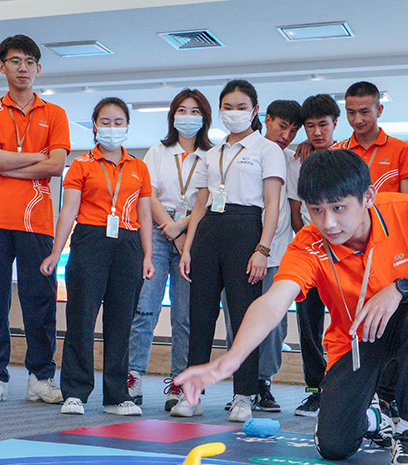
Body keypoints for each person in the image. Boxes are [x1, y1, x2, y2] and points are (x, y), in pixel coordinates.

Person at [177, 149, 408, 465]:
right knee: (334, 446)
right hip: (355, 343)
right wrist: (232, 358)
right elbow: (274, 301)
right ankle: (376, 416)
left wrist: (402, 288)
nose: (328, 223)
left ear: (368, 196)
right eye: (316, 210)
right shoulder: (309, 244)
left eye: (339, 208)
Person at [176, 79, 286, 423]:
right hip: (210, 231)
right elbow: (200, 205)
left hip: (246, 229)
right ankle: (192, 395)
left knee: (243, 317)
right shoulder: (212, 153)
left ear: (255, 111)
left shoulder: (267, 149)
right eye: (228, 107)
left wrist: (263, 249)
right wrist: (188, 248)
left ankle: (244, 395)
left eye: (241, 107)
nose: (234, 113)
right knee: (200, 317)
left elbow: (272, 203)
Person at [41, 97, 154, 416]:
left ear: (128, 126)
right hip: (89, 240)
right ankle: (75, 392)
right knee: (81, 319)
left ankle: (117, 396)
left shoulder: (139, 167)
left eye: (119, 122)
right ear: (94, 126)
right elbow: (68, 211)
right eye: (106, 122)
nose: (112, 128)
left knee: (121, 322)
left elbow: (145, 215)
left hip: (128, 244)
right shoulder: (81, 164)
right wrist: (55, 252)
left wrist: (148, 255)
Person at [0, 35, 70, 405]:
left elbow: (57, 166)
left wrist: (7, 163)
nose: (23, 68)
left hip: (36, 221)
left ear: (39, 68)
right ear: (2, 67)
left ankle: (41, 377)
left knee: (40, 301)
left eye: (30, 61)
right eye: (15, 61)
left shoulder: (55, 113)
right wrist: (35, 158)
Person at [128, 88, 212, 411]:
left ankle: (179, 382)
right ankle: (133, 376)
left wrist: (183, 228)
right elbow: (147, 195)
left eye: (195, 111)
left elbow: (209, 201)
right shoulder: (157, 152)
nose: (188, 117)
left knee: (184, 316)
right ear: (172, 115)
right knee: (145, 308)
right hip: (159, 234)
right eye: (182, 110)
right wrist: (171, 229)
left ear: (204, 118)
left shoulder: (212, 155)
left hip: (195, 236)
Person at [290, 94, 342, 418]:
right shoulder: (301, 160)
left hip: (343, 255)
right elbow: (297, 211)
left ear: (335, 123)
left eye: (323, 124)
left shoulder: (347, 157)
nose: (317, 132)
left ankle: (344, 388)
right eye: (310, 126)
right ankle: (315, 390)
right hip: (312, 253)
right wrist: (313, 240)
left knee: (343, 322)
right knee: (308, 323)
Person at [251, 98, 301, 413]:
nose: (286, 135)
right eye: (282, 126)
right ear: (267, 120)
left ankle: (263, 382)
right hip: (242, 252)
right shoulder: (247, 152)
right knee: (239, 320)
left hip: (279, 255)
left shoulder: (292, 160)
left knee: (274, 323)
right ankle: (243, 385)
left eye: (293, 131)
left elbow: (294, 210)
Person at [331, 81, 408, 195]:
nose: (357, 120)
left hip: (388, 208)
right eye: (351, 113)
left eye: (364, 112)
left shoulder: (401, 149)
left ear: (379, 110)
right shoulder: (335, 153)